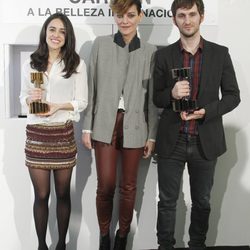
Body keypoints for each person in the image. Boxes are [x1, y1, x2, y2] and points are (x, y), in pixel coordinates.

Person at [153, 0, 240, 249]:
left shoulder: (220, 53)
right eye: (182, 15)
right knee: (167, 201)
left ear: (201, 17)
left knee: (202, 201)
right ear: (174, 19)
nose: (187, 20)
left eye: (192, 14)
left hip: (205, 140)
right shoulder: (163, 55)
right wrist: (171, 93)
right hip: (173, 139)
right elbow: (156, 98)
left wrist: (206, 112)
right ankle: (165, 246)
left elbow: (233, 96)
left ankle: (197, 245)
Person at [81, 0, 158, 249]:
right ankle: (105, 235)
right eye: (120, 15)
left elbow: (154, 100)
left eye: (130, 15)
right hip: (104, 123)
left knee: (129, 186)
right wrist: (87, 126)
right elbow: (91, 88)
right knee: (105, 185)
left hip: (136, 125)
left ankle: (122, 236)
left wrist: (152, 135)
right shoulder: (101, 45)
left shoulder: (150, 51)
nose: (124, 20)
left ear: (140, 16)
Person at [19, 13, 88, 250]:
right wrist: (30, 99)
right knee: (40, 195)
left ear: (67, 36)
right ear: (45, 32)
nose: (56, 35)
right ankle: (41, 245)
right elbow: (22, 97)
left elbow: (82, 101)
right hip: (37, 135)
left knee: (63, 194)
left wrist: (58, 105)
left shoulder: (76, 64)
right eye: (52, 29)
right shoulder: (31, 62)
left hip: (62, 135)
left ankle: (61, 245)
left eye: (62, 31)